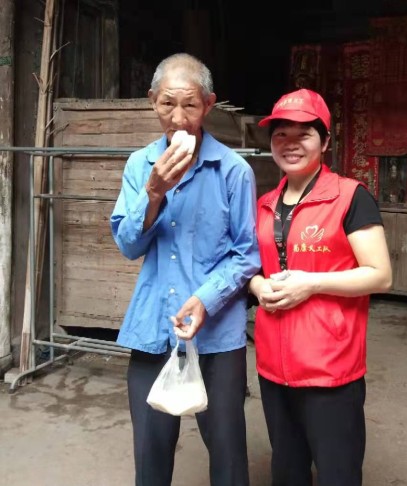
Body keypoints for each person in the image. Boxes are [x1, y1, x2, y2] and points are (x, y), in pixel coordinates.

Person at [110, 52, 261, 486]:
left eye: (190, 105)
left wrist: (205, 300)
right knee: (150, 454)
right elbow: (128, 245)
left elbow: (247, 254)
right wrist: (154, 192)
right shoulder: (140, 165)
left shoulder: (234, 171)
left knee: (228, 455)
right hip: (153, 326)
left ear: (209, 105)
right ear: (152, 100)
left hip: (217, 335)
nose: (178, 119)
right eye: (167, 104)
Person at [248, 88, 392, 486]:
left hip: (330, 366)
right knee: (287, 469)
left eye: (304, 134)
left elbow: (380, 274)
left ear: (325, 141)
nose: (290, 144)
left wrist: (310, 284)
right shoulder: (264, 204)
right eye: (281, 134)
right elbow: (252, 268)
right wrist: (258, 286)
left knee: (337, 472)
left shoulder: (350, 197)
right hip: (273, 364)